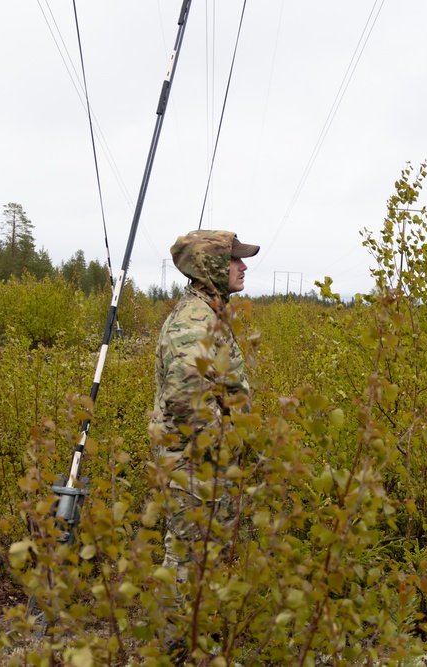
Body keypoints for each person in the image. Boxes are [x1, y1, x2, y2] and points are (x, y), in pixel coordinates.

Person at [149, 229, 259, 585]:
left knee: (201, 560)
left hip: (206, 464)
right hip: (195, 467)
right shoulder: (194, 322)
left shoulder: (209, 313)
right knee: (187, 561)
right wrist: (228, 444)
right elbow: (187, 403)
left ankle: (196, 635)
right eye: (234, 259)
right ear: (211, 265)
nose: (243, 266)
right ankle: (176, 639)